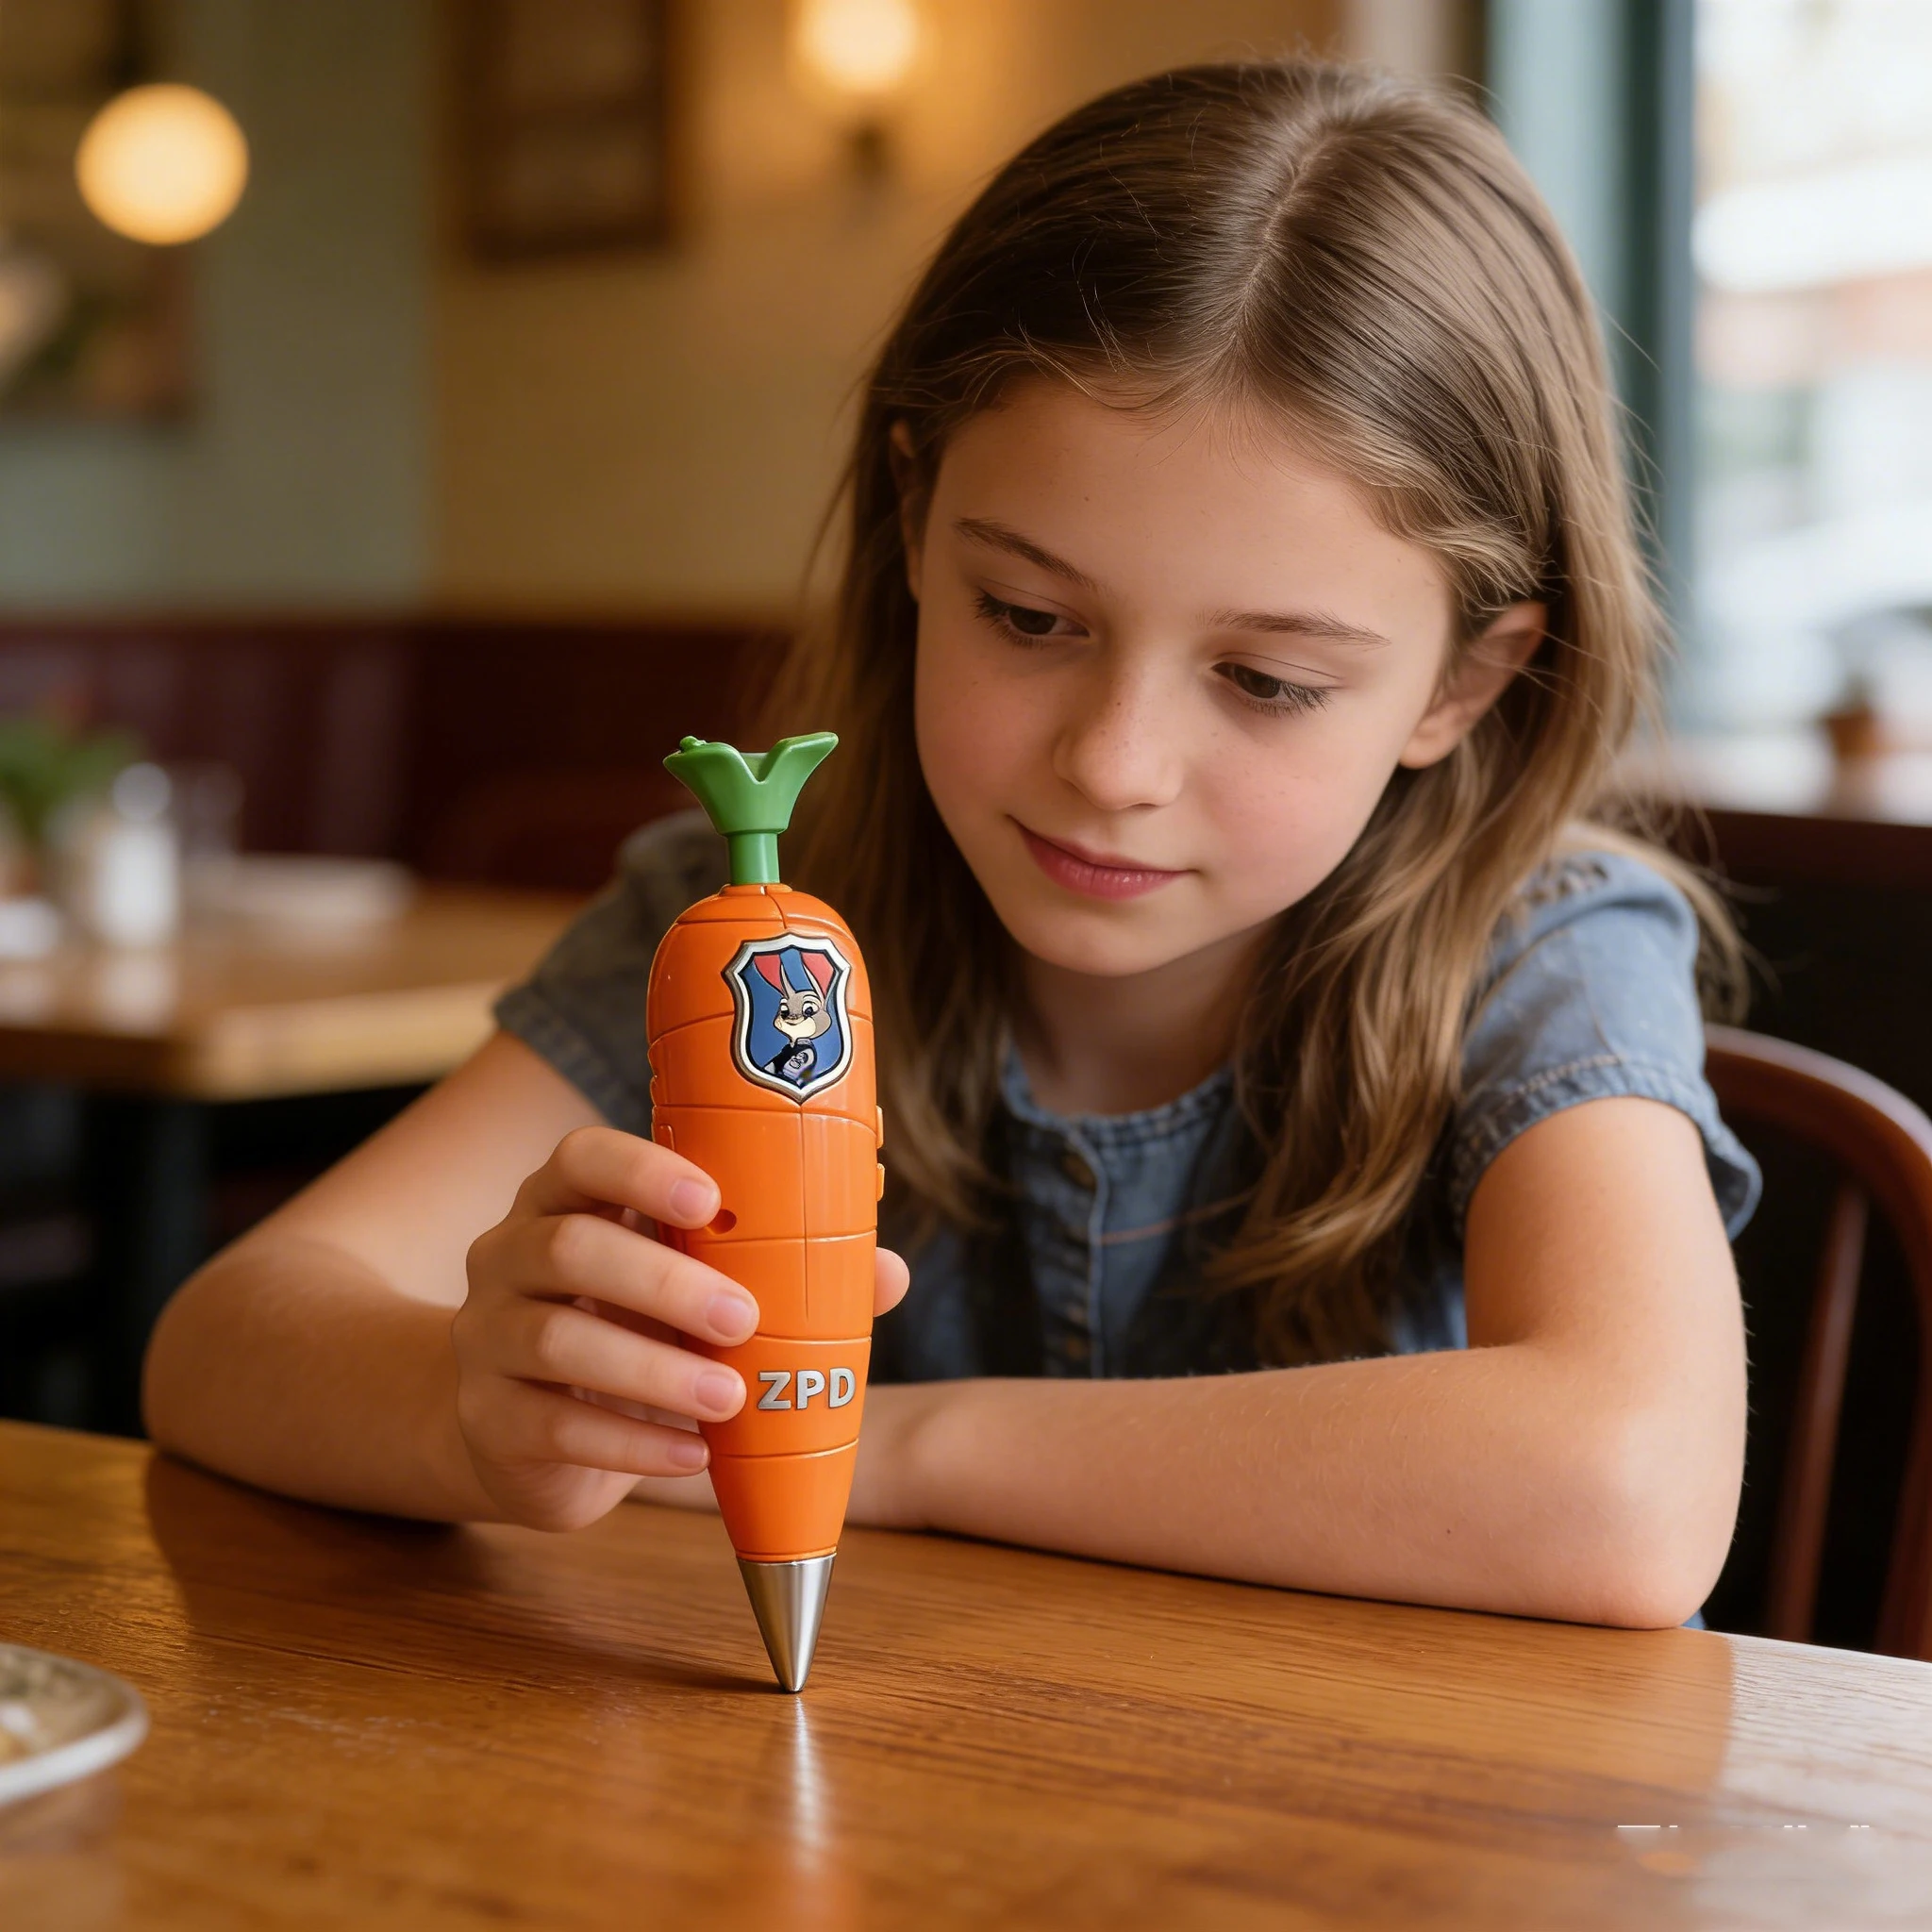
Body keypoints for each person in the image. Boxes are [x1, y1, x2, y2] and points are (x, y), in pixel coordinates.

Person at [145, 59, 1758, 1629]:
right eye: (1030, 615)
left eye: (1268, 680)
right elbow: (223, 1341)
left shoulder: (1545, 953)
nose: (1115, 765)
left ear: (1466, 679)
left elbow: (1627, 1491)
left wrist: (898, 1442)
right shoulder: (750, 929)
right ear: (915, 523)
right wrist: (464, 1408)